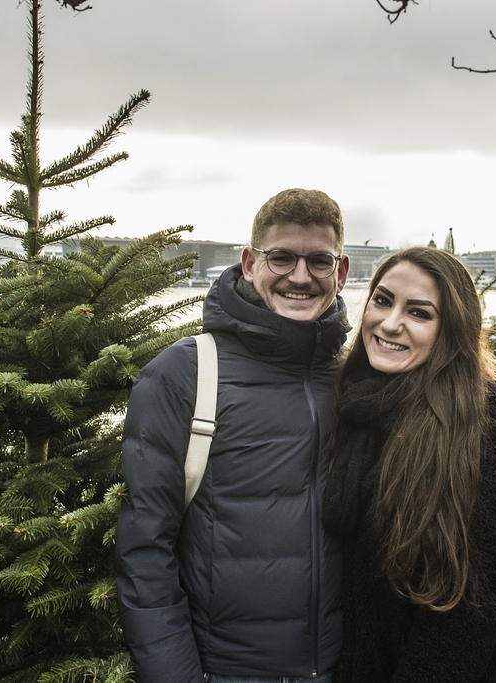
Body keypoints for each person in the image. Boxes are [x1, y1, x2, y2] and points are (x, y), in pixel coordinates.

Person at [115, 188, 351, 683]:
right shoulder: (184, 374)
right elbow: (145, 551)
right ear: (249, 263)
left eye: (319, 261)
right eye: (281, 258)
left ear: (341, 272)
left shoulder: (352, 379)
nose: (300, 277)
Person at [322, 247, 496, 682]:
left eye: (419, 313)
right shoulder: (355, 406)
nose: (389, 323)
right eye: (383, 300)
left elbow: (463, 629)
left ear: (451, 332)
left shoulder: (479, 444)